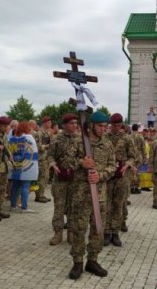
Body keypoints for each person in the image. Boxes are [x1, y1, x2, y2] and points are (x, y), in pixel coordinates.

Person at [67, 111, 115, 280]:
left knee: (98, 230)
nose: (103, 129)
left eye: (105, 126)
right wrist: (81, 162)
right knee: (78, 229)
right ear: (92, 125)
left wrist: (100, 175)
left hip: (99, 195)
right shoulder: (79, 142)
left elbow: (112, 166)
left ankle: (92, 260)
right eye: (100, 126)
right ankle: (78, 262)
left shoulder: (107, 144)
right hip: (81, 194)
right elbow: (66, 162)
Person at [103, 113, 136, 247]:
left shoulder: (127, 139)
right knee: (106, 204)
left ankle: (115, 232)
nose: (116, 128)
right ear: (110, 125)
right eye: (114, 125)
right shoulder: (104, 138)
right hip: (107, 176)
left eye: (118, 125)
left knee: (118, 204)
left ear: (122, 125)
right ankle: (106, 232)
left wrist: (128, 165)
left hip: (122, 176)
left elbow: (133, 156)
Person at [48, 113, 79, 245]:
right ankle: (58, 233)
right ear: (65, 125)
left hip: (75, 177)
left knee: (73, 206)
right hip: (60, 178)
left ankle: (71, 233)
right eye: (72, 123)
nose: (74, 125)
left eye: (76, 123)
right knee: (59, 206)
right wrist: (53, 164)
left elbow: (84, 156)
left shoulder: (80, 139)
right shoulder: (56, 139)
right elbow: (50, 156)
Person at [8, 121, 38, 213]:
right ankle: (24, 207)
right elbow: (34, 152)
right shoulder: (29, 137)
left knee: (15, 185)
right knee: (25, 186)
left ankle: (13, 205)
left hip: (15, 165)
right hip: (27, 164)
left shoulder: (12, 138)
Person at [34, 116, 53, 203]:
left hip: (47, 158)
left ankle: (42, 194)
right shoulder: (39, 133)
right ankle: (38, 195)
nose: (50, 124)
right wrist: (48, 146)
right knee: (41, 177)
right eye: (49, 122)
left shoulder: (47, 132)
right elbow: (38, 147)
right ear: (44, 123)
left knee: (45, 177)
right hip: (41, 158)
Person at [130, 123, 145, 194]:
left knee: (131, 172)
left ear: (132, 128)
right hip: (138, 156)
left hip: (131, 157)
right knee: (138, 172)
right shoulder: (140, 136)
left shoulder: (129, 136)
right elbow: (143, 148)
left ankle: (131, 187)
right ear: (137, 129)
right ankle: (136, 187)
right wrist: (144, 157)